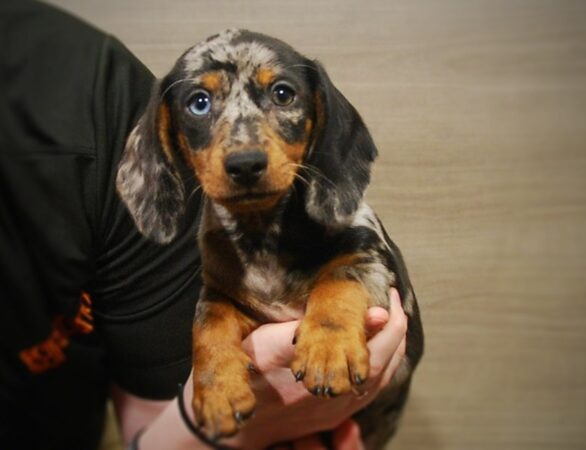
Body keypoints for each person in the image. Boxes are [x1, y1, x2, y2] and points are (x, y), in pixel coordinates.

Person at [0, 2, 408, 449]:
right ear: (168, 134)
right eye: (200, 102)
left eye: (282, 95)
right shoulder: (210, 241)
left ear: (319, 117)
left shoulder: (87, 83)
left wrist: (333, 320)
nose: (245, 151)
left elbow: (366, 272)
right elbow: (218, 303)